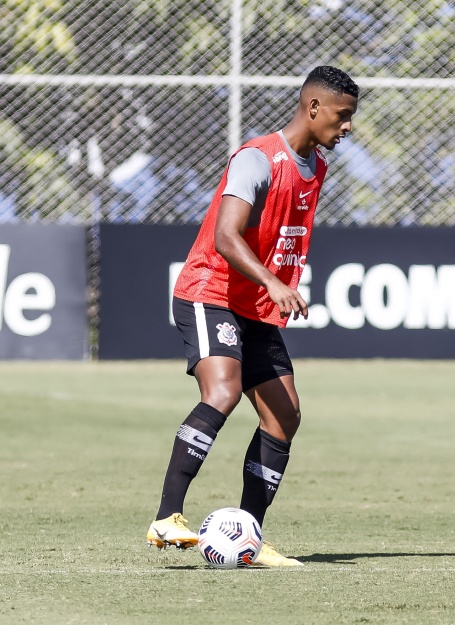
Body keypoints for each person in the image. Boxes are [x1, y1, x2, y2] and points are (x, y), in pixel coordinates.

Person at [146, 66, 359, 566]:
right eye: (342, 115)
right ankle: (166, 516)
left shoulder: (317, 166)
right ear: (312, 108)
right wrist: (273, 281)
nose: (348, 126)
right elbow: (225, 235)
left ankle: (249, 539)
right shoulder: (258, 159)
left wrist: (269, 289)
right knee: (221, 391)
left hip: (255, 307)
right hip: (210, 291)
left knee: (284, 415)